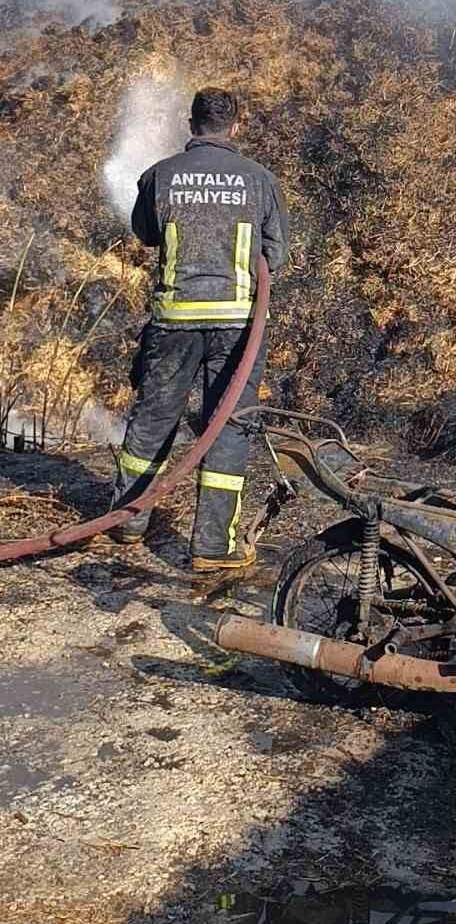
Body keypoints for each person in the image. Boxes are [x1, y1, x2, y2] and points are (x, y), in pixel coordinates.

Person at [111, 86, 290, 571]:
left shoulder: (160, 175)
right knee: (228, 427)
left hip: (174, 322)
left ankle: (126, 523)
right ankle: (212, 548)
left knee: (153, 420)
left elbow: (146, 233)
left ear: (191, 125)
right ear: (236, 125)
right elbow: (277, 254)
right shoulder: (259, 180)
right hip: (239, 327)